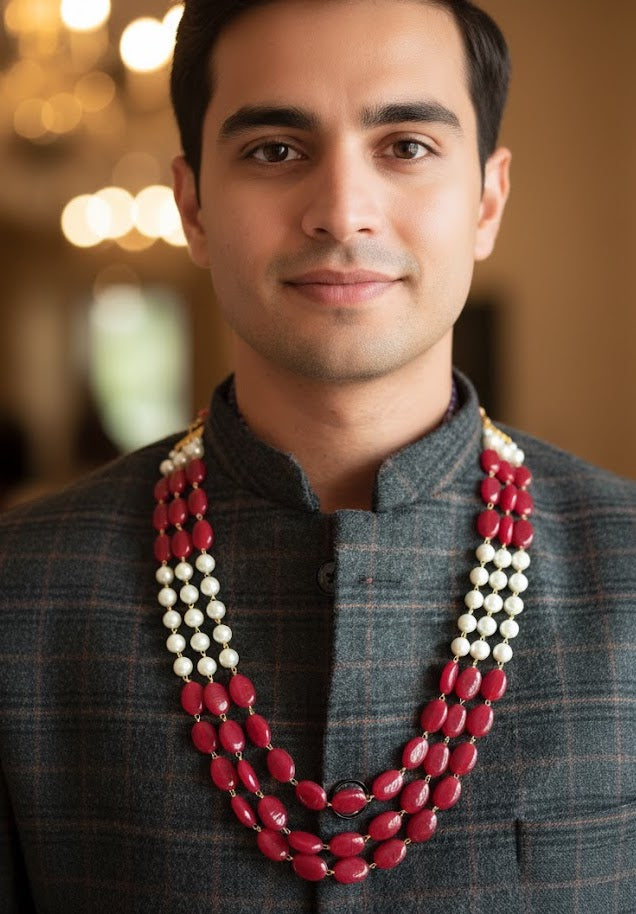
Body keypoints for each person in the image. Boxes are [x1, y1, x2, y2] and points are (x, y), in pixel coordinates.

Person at [1, 1, 635, 911]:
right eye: (274, 151)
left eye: (407, 145)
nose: (342, 211)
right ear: (194, 205)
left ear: (487, 201)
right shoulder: (22, 591)